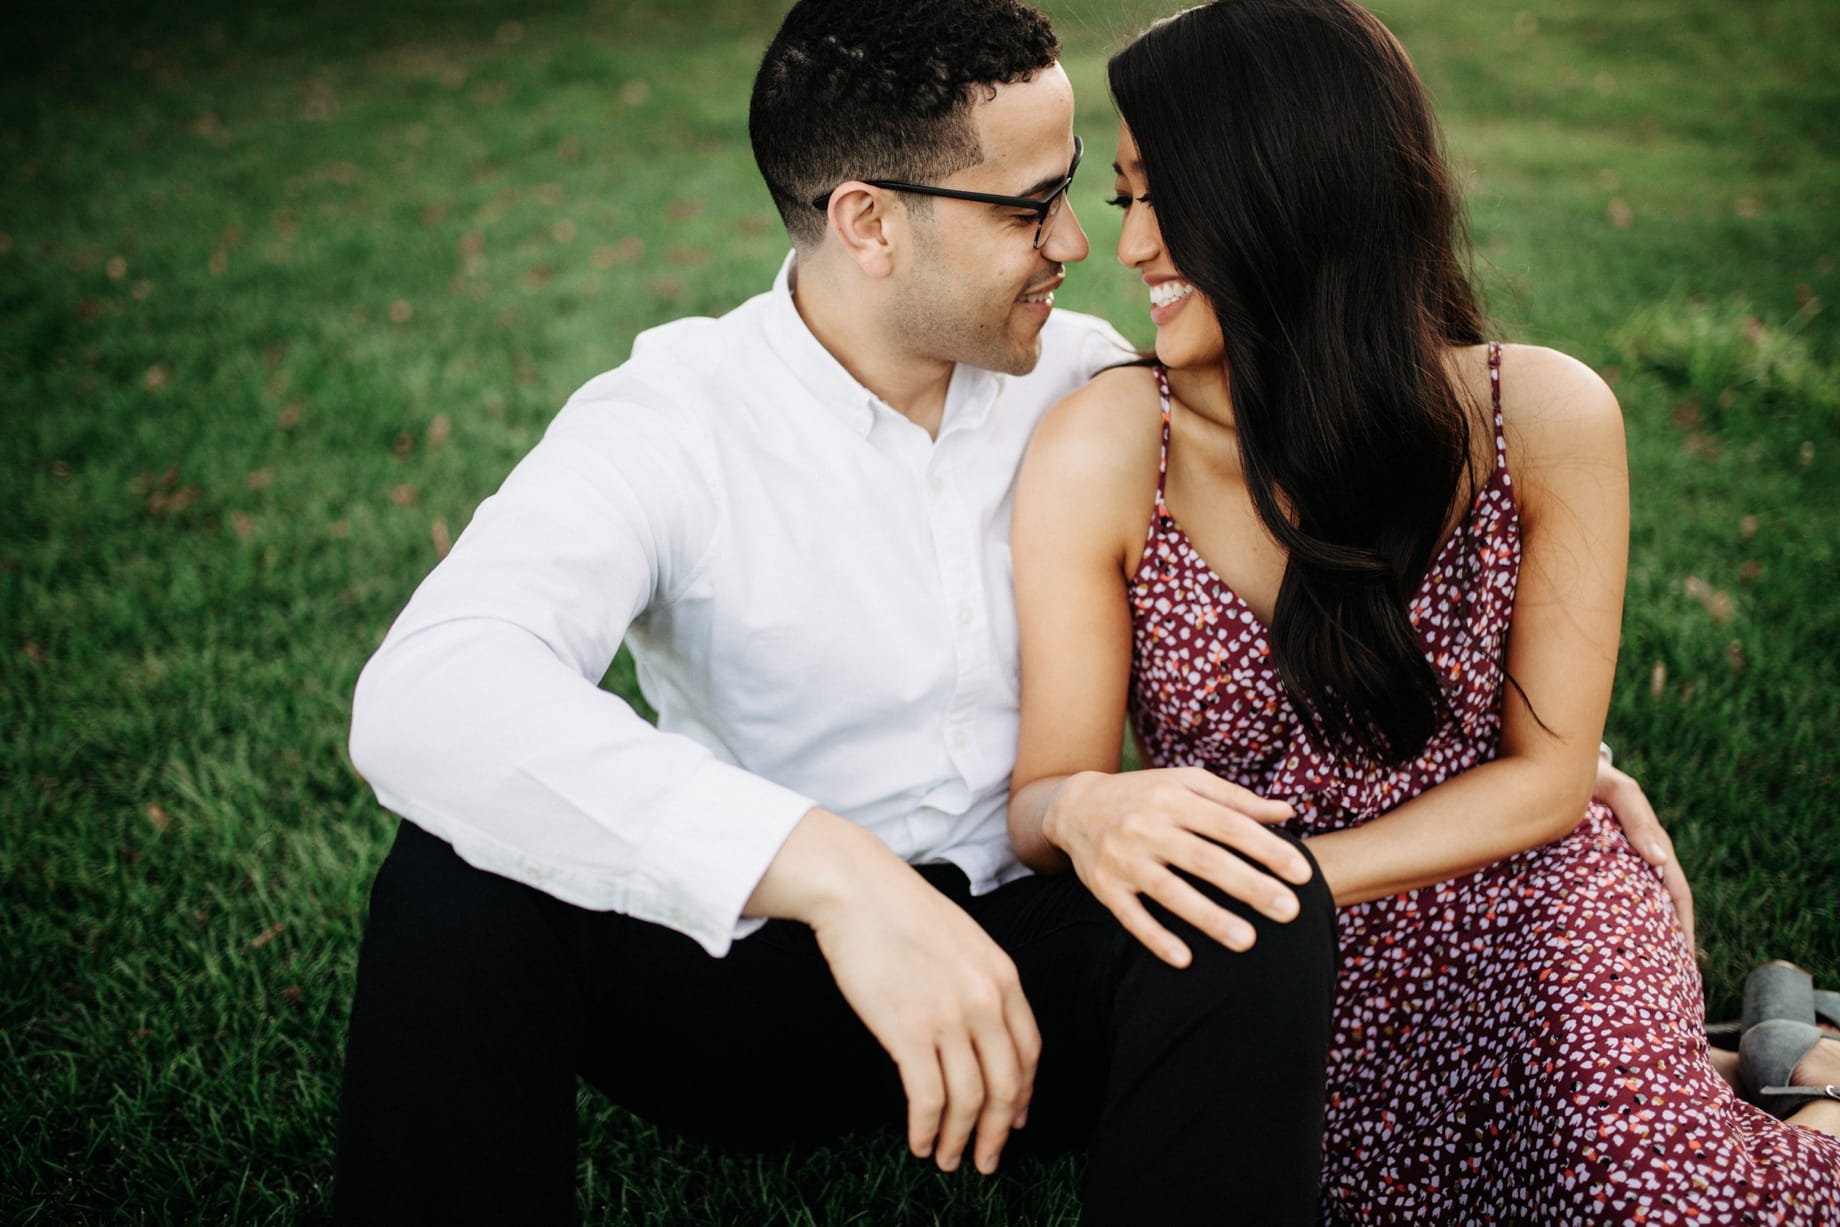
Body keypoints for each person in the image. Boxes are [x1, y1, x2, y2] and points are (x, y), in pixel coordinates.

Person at [335, 2, 1342, 1222]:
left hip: (1035, 972)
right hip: (755, 982)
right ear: (867, 222)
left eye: (1070, 188)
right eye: (1027, 208)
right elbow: (427, 691)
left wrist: (1547, 752)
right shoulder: (673, 416)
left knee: (1247, 889)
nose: (1076, 240)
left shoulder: (1091, 383)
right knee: (456, 874)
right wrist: (835, 876)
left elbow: (1349, 510)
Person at [1005, 0, 1840, 1222]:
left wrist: (1292, 893)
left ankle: (1811, 1086)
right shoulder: (1110, 448)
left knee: (1657, 1201)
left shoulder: (1541, 418)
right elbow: (1042, 803)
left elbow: (1549, 781)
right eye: (1126, 198)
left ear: (1286, 195)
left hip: (1519, 898)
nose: (1127, 247)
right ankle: (1752, 1056)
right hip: (1282, 963)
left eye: (1156, 196)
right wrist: (1092, 818)